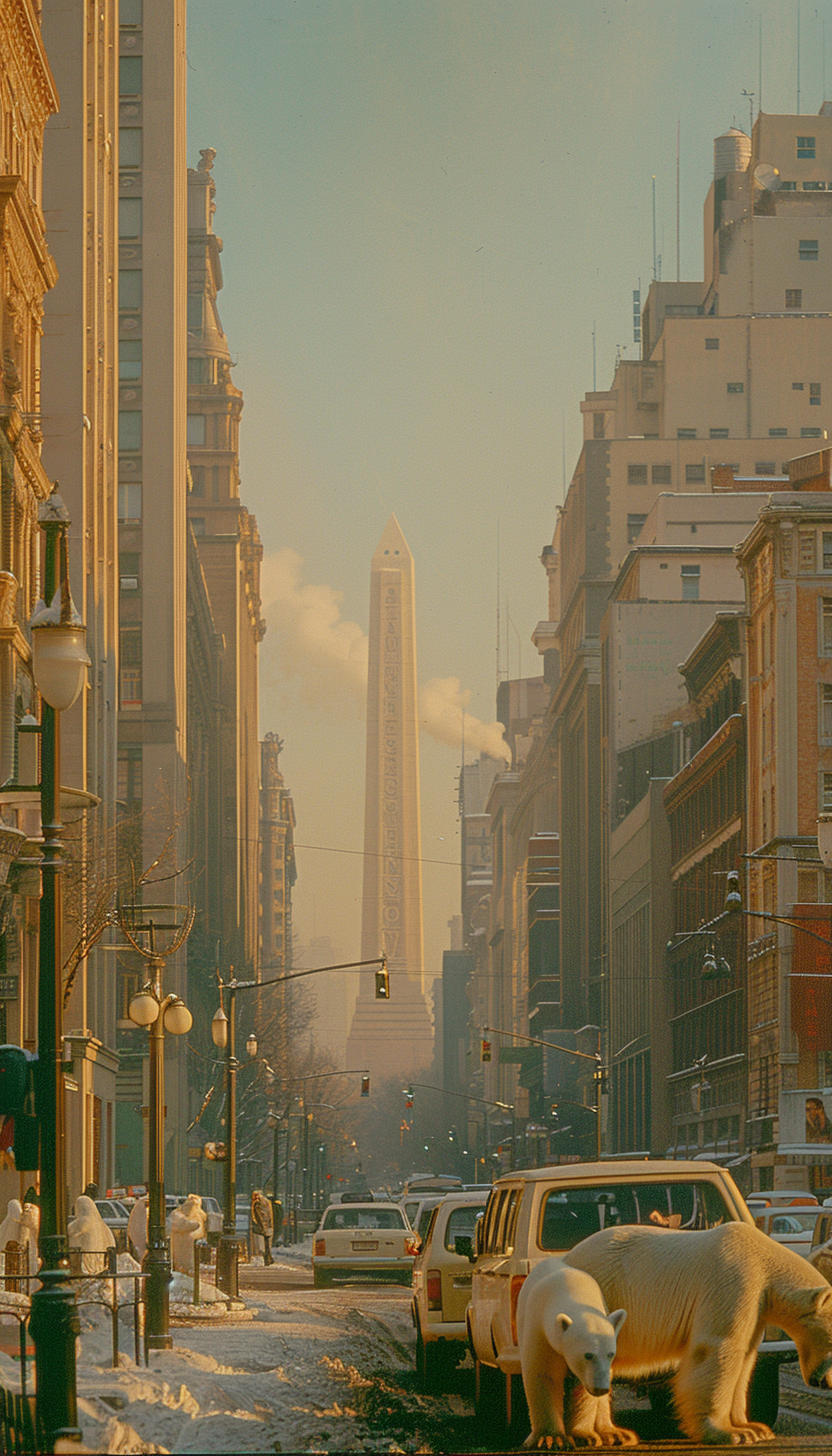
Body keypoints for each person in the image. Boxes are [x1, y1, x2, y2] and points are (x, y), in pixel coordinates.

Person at [250, 1189, 274, 1265]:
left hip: (261, 1228)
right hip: (269, 1226)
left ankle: (266, 1259)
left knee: (261, 1246)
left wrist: (262, 1227)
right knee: (267, 1245)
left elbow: (260, 1216)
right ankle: (268, 1259)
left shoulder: (258, 1203)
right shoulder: (267, 1202)